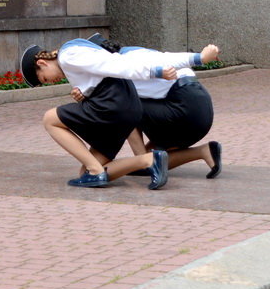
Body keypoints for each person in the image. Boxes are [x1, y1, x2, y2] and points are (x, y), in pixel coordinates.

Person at [19, 38, 209, 189]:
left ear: (43, 62)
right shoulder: (71, 60)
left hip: (112, 105)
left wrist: (156, 71)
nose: (50, 81)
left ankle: (96, 171)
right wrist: (85, 92)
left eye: (44, 78)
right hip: (122, 107)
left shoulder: (69, 55)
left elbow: (116, 64)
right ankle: (147, 160)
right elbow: (98, 74)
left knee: (50, 119)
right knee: (84, 172)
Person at [105, 40, 223, 179]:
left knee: (124, 107)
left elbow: (166, 59)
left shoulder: (126, 61)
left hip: (186, 110)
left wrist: (200, 58)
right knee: (152, 155)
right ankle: (205, 151)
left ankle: (145, 162)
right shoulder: (134, 54)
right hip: (199, 109)